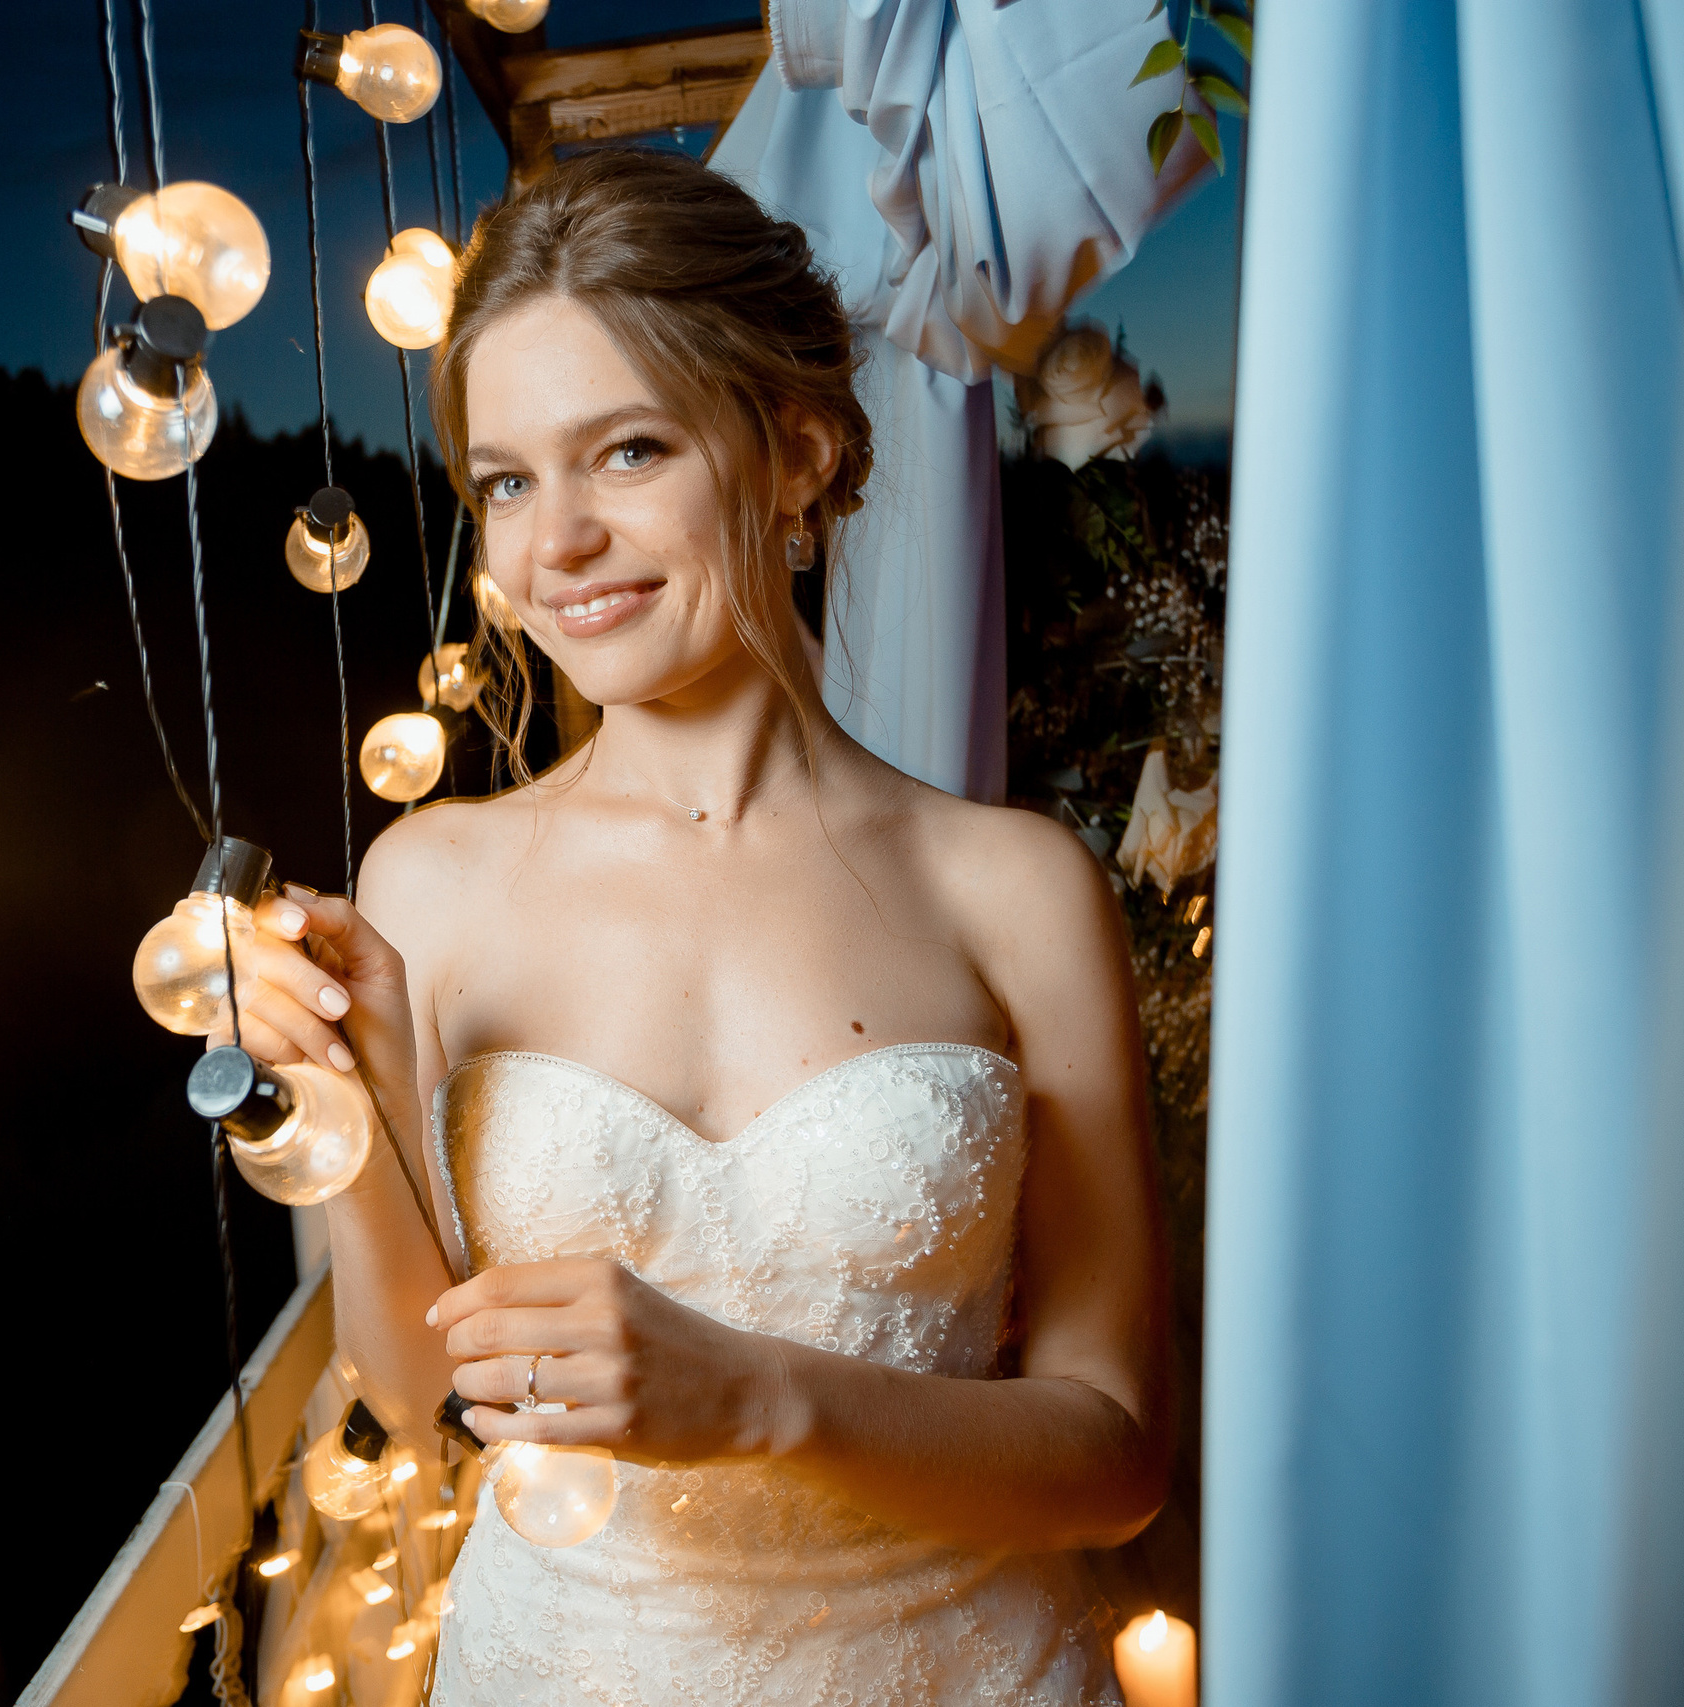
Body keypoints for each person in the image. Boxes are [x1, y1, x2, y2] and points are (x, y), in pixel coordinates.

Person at [224, 150, 1167, 1706]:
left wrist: (760, 1397)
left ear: (792, 450)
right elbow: (406, 1389)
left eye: (630, 451)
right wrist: (352, 1089)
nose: (556, 544)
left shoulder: (1013, 888)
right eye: (509, 481)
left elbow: (1116, 1457)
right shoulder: (428, 882)